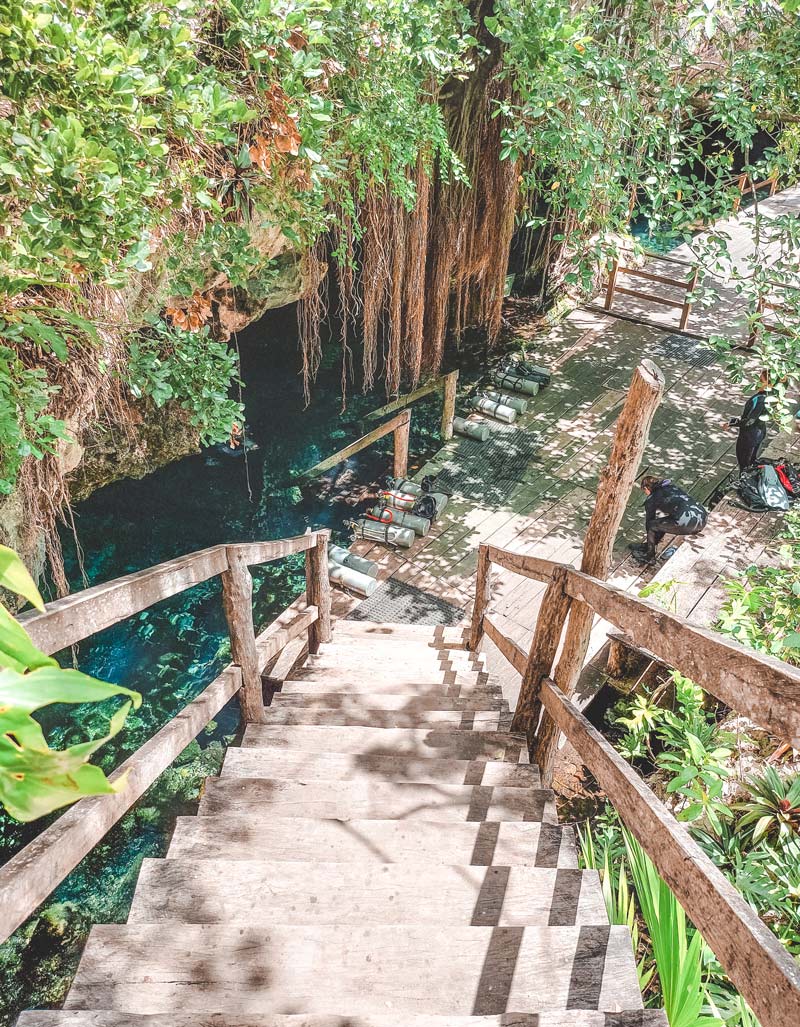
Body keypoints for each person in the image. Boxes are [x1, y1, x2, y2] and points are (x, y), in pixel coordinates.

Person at [629, 476, 708, 564]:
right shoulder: (672, 487)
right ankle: (649, 546)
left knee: (652, 525)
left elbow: (649, 523)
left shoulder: (651, 499)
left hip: (688, 524)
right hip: (702, 518)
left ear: (646, 488)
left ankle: (650, 556)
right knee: (662, 523)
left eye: (644, 491)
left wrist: (651, 539)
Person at [725, 371, 772, 470]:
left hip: (749, 435)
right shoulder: (772, 397)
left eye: (761, 380)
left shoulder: (760, 399)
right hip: (760, 431)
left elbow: (749, 421)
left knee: (744, 464)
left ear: (769, 384)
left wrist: (731, 423)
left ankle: (744, 481)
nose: (758, 382)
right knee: (751, 459)